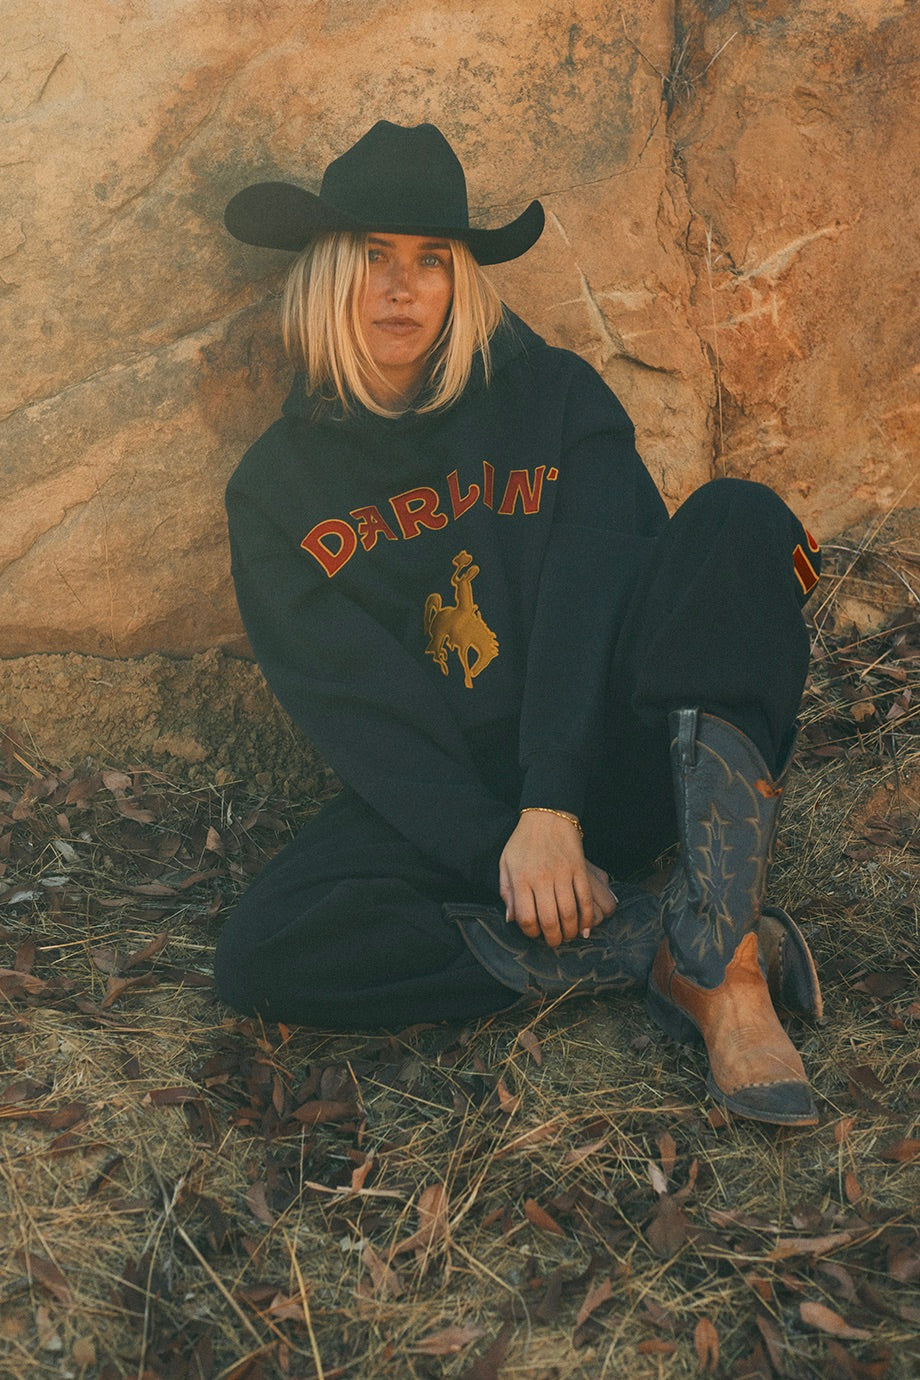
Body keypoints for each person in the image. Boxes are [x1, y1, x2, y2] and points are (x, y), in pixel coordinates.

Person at [215, 121, 824, 1127]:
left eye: (430, 259)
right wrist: (498, 842)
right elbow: (359, 712)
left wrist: (553, 803)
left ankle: (721, 945)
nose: (401, 288)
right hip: (468, 813)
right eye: (371, 256)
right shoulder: (275, 491)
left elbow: (594, 590)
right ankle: (653, 944)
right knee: (266, 951)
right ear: (324, 273)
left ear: (460, 281)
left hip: (614, 760)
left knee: (738, 521)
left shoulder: (551, 397)